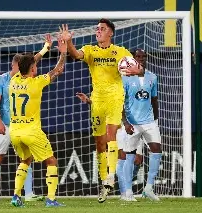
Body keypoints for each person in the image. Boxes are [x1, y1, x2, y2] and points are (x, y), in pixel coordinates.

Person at [59, 19, 144, 203]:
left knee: (110, 135)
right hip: (97, 100)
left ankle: (111, 176)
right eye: (97, 29)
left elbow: (138, 68)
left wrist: (136, 70)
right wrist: (69, 41)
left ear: (110, 33)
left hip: (115, 97)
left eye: (102, 29)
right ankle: (104, 180)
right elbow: (75, 54)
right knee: (99, 142)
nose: (98, 31)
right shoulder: (90, 50)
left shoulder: (120, 51)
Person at [0, 35, 52, 202]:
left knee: (26, 158)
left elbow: (33, 61)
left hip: (18, 126)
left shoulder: (19, 77)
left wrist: (45, 49)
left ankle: (27, 194)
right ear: (13, 65)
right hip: (5, 125)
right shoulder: (2, 79)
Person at [9, 37, 66, 207]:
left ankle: (16, 196)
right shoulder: (36, 83)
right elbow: (58, 70)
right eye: (35, 67)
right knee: (51, 161)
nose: (37, 67)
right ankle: (51, 199)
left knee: (25, 160)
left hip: (14, 132)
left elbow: (29, 63)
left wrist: (45, 48)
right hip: (31, 131)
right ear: (32, 69)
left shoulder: (14, 80)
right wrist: (62, 53)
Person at [75, 93, 145, 200]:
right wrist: (89, 101)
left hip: (136, 126)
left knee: (137, 160)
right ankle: (125, 193)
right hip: (120, 127)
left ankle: (125, 185)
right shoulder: (112, 87)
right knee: (123, 158)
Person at [122, 49, 161, 201]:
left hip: (150, 122)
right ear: (132, 59)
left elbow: (154, 99)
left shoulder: (152, 77)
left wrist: (156, 119)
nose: (141, 58)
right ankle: (128, 192)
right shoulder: (125, 78)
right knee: (130, 156)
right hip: (132, 123)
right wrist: (125, 122)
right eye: (138, 56)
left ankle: (149, 188)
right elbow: (120, 102)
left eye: (143, 56)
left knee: (157, 150)